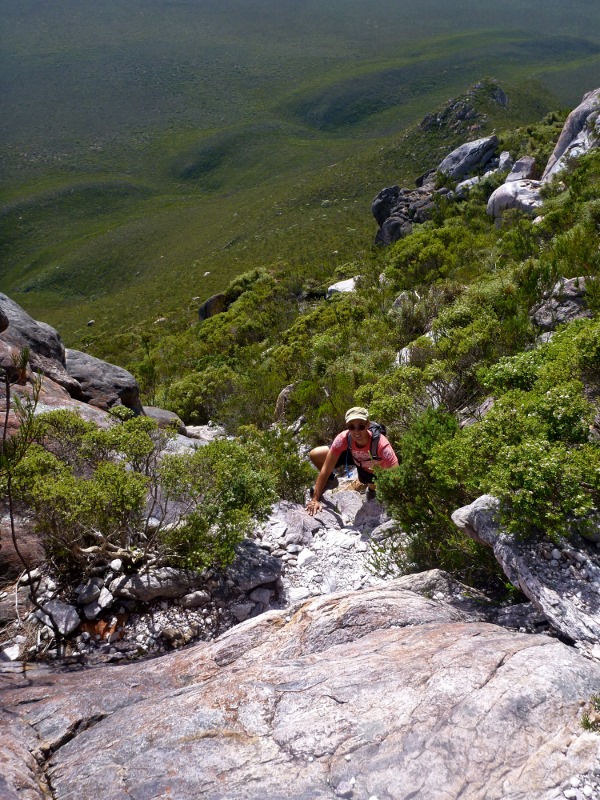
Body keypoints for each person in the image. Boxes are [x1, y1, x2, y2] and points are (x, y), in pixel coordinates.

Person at [305, 406, 398, 516]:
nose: (356, 431)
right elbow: (326, 468)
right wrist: (315, 499)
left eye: (361, 426)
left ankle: (371, 492)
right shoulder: (344, 438)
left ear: (368, 425)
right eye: (352, 427)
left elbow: (396, 474)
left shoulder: (381, 445)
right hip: (353, 455)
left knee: (372, 484)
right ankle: (331, 481)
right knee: (316, 454)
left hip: (373, 464)